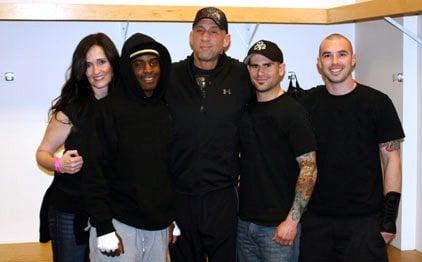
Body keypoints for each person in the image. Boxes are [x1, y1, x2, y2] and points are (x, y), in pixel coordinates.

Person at [297, 33, 405, 262]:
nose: (335, 62)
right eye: (328, 55)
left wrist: (389, 218)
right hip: (316, 222)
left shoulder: (378, 103)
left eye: (342, 54)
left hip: (364, 223)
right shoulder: (305, 104)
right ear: (319, 62)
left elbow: (392, 160)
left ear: (353, 59)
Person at [165, 6, 252, 262]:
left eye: (214, 31)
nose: (206, 37)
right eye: (200, 30)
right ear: (191, 37)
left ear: (226, 40)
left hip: (223, 196)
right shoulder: (170, 76)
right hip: (179, 197)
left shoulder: (241, 76)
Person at [82, 33, 175, 262]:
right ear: (128, 69)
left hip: (158, 229)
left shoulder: (167, 111)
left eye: (153, 63)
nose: (148, 70)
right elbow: (94, 173)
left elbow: (171, 169)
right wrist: (103, 226)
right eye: (138, 64)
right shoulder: (107, 111)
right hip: (117, 227)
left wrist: (173, 217)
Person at [36, 32, 119, 262]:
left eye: (101, 62)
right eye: (88, 65)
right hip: (70, 209)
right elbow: (41, 153)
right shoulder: (71, 109)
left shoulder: (125, 105)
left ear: (113, 62)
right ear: (81, 70)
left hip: (110, 210)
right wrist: (59, 164)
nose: (96, 71)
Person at [237, 40, 317, 262]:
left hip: (278, 229)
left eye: (267, 65)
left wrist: (292, 221)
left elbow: (309, 168)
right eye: (254, 66)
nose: (260, 72)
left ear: (281, 69)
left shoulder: (293, 112)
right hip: (244, 225)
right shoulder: (245, 110)